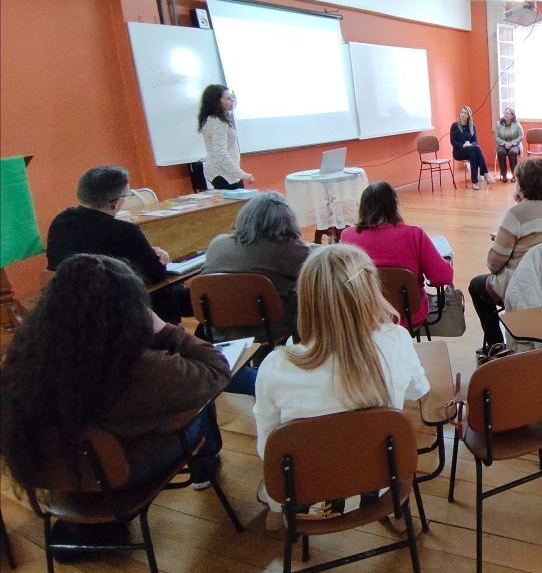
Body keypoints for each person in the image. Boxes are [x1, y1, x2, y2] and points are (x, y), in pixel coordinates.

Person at [1, 254, 232, 547]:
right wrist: (163, 328)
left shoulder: (25, 358)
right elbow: (216, 369)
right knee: (199, 404)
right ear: (127, 309)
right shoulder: (138, 370)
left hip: (55, 478)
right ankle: (205, 466)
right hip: (118, 478)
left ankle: (90, 529)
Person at [253, 245, 430, 508]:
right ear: (370, 292)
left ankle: (282, 520)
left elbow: (267, 447)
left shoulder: (275, 366)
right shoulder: (396, 340)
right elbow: (419, 390)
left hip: (306, 496)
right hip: (380, 485)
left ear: (306, 300)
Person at [45, 165, 188, 322]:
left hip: (71, 306)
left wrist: (146, 251)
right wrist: (159, 258)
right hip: (116, 309)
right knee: (172, 291)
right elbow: (156, 275)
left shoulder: (60, 221)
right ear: (115, 203)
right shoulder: (125, 231)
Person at [469, 158, 542, 350]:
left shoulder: (515, 214)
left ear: (522, 184)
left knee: (476, 286)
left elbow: (493, 264)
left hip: (520, 284)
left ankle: (496, 346)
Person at [341, 181, 454, 329]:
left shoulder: (347, 236)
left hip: (363, 315)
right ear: (394, 206)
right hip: (407, 316)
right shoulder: (414, 234)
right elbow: (442, 277)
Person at [203, 191, 311, 340]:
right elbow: (315, 264)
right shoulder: (287, 251)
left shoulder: (217, 244)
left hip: (220, 331)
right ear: (286, 221)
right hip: (269, 327)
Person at [198, 84, 254, 189]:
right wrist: (242, 174)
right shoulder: (217, 123)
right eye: (228, 99)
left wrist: (233, 101)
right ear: (217, 103)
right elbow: (220, 154)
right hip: (223, 173)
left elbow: (232, 107)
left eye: (232, 98)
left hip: (227, 172)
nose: (232, 101)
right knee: (235, 204)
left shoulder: (216, 118)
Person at [451, 106, 494, 189]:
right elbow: (453, 142)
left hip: (470, 150)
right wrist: (463, 145)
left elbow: (475, 141)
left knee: (473, 153)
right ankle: (485, 174)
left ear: (469, 115)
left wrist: (470, 144)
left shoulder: (472, 126)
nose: (463, 114)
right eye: (462, 112)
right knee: (476, 149)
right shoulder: (455, 126)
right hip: (459, 152)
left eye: (465, 113)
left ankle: (475, 183)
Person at [494, 106, 524, 183]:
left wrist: (512, 143)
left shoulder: (516, 124)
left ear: (512, 116)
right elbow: (496, 137)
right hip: (502, 144)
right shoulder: (498, 124)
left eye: (508, 113)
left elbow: (521, 136)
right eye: (505, 113)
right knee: (500, 152)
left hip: (514, 144)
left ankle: (514, 175)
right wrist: (504, 143)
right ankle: (504, 175)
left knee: (512, 153)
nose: (506, 114)